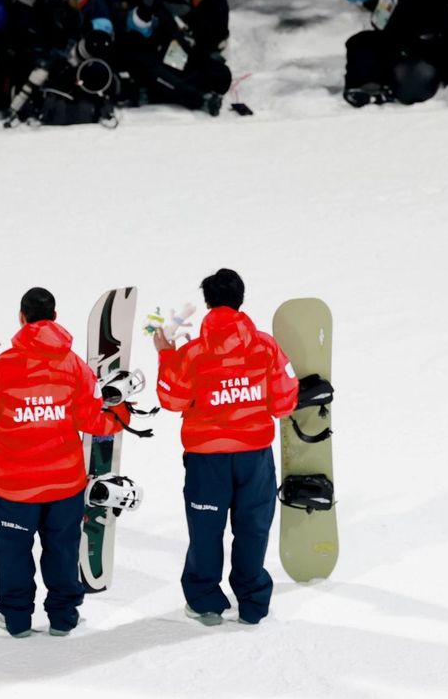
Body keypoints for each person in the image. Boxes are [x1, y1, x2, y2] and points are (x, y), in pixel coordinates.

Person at [0, 286, 133, 638]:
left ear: (21, 318)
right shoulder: (74, 367)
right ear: (54, 317)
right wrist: (120, 412)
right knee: (63, 551)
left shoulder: (1, 367)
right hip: (65, 485)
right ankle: (64, 617)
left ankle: (16, 619)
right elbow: (92, 421)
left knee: (12, 554)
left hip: (14, 487)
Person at [154, 269, 296, 627]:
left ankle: (204, 601)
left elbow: (171, 400)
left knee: (206, 530)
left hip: (206, 460)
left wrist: (166, 355)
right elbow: (283, 404)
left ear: (207, 302)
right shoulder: (266, 346)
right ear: (240, 299)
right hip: (254, 458)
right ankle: (252, 603)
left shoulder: (192, 353)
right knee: (252, 529)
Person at [114, 0, 231, 114]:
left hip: (195, 58)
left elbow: (218, 35)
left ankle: (155, 92)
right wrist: (145, 7)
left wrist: (190, 19)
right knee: (132, 53)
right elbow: (139, 29)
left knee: (221, 77)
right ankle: (195, 98)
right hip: (161, 54)